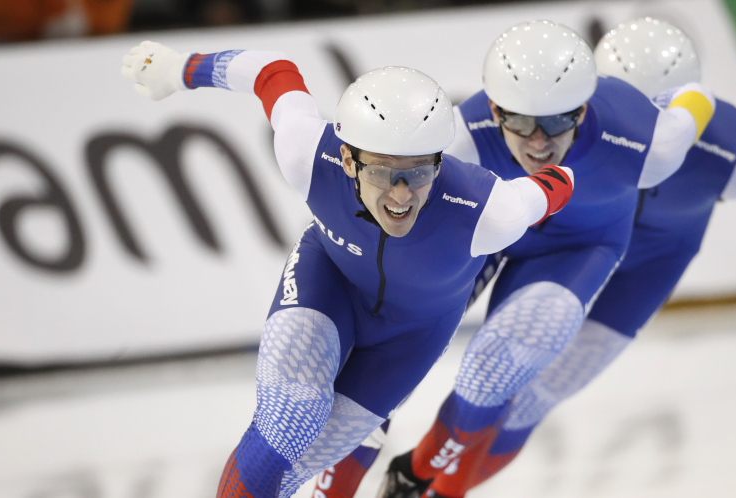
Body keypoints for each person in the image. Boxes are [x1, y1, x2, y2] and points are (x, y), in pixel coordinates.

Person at [120, 40, 575, 498]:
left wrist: (569, 167)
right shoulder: (305, 152)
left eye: (418, 173)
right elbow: (271, 72)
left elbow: (558, 183)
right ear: (346, 159)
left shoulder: (487, 210)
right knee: (291, 414)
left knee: (293, 469)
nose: (400, 197)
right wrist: (181, 69)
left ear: (440, 163)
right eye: (380, 172)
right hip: (328, 282)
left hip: (408, 340)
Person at [310, 20, 717, 498]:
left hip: (575, 251)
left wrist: (692, 95)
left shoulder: (649, 144)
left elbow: (699, 98)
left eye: (558, 122)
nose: (538, 142)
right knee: (388, 358)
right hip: (489, 233)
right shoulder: (463, 132)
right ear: (496, 110)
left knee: (497, 369)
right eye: (519, 122)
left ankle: (417, 473)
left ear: (584, 110)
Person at [414, 18, 736, 498]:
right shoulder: (565, 124)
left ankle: (444, 490)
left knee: (534, 397)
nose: (632, 122)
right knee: (495, 371)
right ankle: (431, 472)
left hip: (637, 270)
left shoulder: (730, 153)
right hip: (563, 248)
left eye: (649, 115)